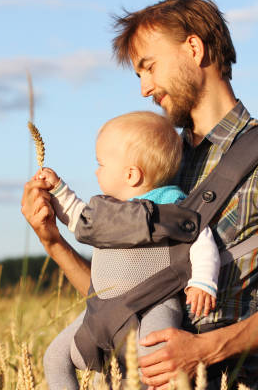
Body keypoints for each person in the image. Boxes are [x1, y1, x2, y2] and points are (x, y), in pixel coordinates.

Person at [21, 0, 258, 390]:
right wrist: (54, 243)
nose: (144, 89)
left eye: (148, 67)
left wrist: (204, 350)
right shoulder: (153, 163)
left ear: (194, 48)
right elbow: (120, 299)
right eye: (138, 76)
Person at [37, 111, 221, 390]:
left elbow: (201, 238)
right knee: (54, 358)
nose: (96, 171)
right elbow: (77, 217)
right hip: (102, 310)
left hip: (154, 305)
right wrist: (58, 189)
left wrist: (203, 282)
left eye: (101, 164)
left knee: (154, 357)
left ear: (131, 174)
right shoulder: (107, 213)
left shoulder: (170, 207)